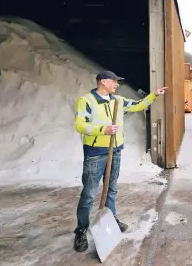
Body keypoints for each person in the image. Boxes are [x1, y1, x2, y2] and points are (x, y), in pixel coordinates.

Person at [73, 70, 167, 252]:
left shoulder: (119, 101)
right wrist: (103, 130)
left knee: (112, 189)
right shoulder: (87, 101)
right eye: (114, 81)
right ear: (102, 82)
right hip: (95, 152)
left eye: (118, 82)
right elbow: (80, 124)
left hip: (115, 151)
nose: (117, 84)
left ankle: (110, 218)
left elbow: (139, 105)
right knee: (89, 194)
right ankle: (81, 230)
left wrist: (154, 95)